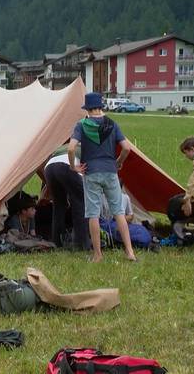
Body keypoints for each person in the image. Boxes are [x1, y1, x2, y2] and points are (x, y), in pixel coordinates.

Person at [68, 92, 136, 262]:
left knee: (93, 214)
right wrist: (118, 162)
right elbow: (127, 148)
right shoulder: (112, 124)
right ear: (101, 107)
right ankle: (129, 252)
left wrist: (73, 166)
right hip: (110, 171)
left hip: (91, 172)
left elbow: (70, 149)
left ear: (87, 109)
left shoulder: (81, 125)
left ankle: (98, 254)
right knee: (119, 212)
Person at [44, 144, 90, 249]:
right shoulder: (89, 147)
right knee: (80, 203)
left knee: (59, 205)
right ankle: (81, 243)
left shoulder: (66, 145)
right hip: (67, 166)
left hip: (49, 168)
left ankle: (56, 241)